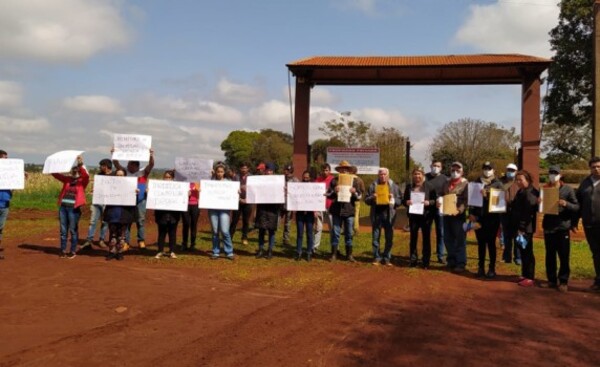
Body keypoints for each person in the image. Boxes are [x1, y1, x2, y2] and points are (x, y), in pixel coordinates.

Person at [540, 165, 579, 292]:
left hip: (562, 227)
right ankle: (551, 280)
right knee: (549, 255)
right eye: (550, 172)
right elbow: (539, 208)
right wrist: (538, 202)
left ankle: (563, 281)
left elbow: (576, 207)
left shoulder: (568, 190)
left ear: (560, 174)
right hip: (549, 226)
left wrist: (566, 204)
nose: (552, 175)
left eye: (555, 173)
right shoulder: (545, 188)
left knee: (563, 255)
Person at [112, 148, 154, 249]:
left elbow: (151, 164)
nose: (129, 166)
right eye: (129, 164)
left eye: (132, 164)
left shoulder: (143, 172)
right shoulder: (124, 172)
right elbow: (116, 163)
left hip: (141, 200)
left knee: (140, 220)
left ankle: (141, 240)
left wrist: (151, 155)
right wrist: (114, 153)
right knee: (127, 221)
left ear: (137, 166)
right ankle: (126, 242)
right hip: (127, 200)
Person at [468, 161, 503, 278]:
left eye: (489, 168)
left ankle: (492, 268)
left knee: (491, 243)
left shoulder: (498, 184)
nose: (487, 170)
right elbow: (471, 201)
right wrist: (471, 214)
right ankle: (480, 267)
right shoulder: (476, 183)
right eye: (485, 168)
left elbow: (500, 203)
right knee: (481, 243)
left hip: (492, 219)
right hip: (478, 218)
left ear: (494, 170)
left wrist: (487, 197)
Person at [52, 155, 90, 259]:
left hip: (74, 208)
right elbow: (56, 175)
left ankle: (73, 251)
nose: (74, 172)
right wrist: (53, 165)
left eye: (76, 171)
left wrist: (80, 164)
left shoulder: (82, 182)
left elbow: (86, 176)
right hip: (63, 207)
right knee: (63, 231)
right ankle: (63, 250)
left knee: (73, 230)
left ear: (79, 172)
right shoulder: (67, 180)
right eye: (73, 171)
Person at [327, 160, 362, 262]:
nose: (344, 171)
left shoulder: (354, 181)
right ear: (339, 170)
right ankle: (334, 254)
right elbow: (328, 195)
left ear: (349, 171)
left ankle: (349, 255)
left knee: (349, 234)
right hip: (337, 211)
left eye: (346, 169)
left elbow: (359, 196)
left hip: (349, 211)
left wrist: (355, 192)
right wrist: (334, 191)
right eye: (342, 169)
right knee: (336, 233)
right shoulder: (334, 181)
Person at [365, 167, 401, 266]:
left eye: (384, 174)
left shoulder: (394, 186)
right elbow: (366, 200)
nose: (383, 176)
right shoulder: (373, 186)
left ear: (388, 175)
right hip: (376, 215)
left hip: (389, 215)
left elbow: (399, 201)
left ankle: (387, 258)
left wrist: (393, 198)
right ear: (378, 175)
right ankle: (376, 257)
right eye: (381, 174)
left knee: (389, 238)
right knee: (375, 238)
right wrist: (373, 197)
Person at [575, 156, 600, 291]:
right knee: (595, 252)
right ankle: (598, 280)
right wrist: (574, 221)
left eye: (598, 166)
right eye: (593, 167)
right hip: (589, 224)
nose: (596, 169)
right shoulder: (585, 183)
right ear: (590, 168)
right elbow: (578, 203)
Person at [439, 161, 468, 272]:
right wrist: (439, 200)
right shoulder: (446, 183)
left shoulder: (466, 184)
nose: (455, 172)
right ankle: (451, 261)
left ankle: (460, 263)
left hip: (458, 216)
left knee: (459, 239)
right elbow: (441, 194)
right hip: (446, 214)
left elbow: (466, 200)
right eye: (453, 170)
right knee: (448, 238)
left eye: (458, 170)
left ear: (462, 172)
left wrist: (459, 210)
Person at [511, 170, 539, 287]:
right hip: (519, 226)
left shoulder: (531, 193)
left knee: (527, 252)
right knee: (522, 251)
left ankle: (530, 277)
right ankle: (524, 274)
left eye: (521, 180)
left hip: (526, 228)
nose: (518, 182)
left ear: (527, 180)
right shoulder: (521, 191)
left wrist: (522, 227)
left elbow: (528, 213)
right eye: (517, 180)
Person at [403, 168, 434, 268]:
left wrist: (429, 202)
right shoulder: (409, 187)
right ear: (413, 176)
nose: (417, 176)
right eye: (415, 174)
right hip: (413, 216)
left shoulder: (429, 186)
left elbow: (435, 200)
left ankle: (425, 261)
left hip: (426, 217)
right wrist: (406, 202)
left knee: (426, 238)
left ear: (423, 175)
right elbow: (404, 200)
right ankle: (413, 260)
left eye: (419, 174)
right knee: (413, 238)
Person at [103, 169, 136, 261]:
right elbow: (103, 195)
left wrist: (135, 193)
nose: (119, 177)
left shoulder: (130, 186)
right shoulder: (110, 186)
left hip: (124, 214)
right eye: (118, 175)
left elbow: (134, 201)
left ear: (125, 176)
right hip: (112, 213)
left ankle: (120, 253)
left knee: (122, 236)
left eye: (121, 175)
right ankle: (111, 252)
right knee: (112, 235)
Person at [81, 158, 112, 250]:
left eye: (101, 166)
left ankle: (101, 240)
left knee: (105, 222)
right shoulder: (99, 175)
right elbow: (96, 187)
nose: (100, 167)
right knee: (93, 221)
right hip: (97, 201)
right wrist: (93, 190)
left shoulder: (114, 176)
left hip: (107, 202)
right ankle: (89, 240)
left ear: (106, 166)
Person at [254, 162, 282, 259]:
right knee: (261, 229)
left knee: (271, 230)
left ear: (273, 171)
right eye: (267, 170)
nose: (269, 172)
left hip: (273, 209)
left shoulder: (278, 181)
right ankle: (261, 249)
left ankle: (270, 250)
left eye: (270, 171)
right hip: (262, 208)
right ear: (265, 171)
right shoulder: (260, 180)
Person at [207, 163, 235, 260]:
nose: (220, 173)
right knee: (215, 231)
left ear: (224, 173)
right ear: (215, 172)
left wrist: (237, 191)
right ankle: (216, 252)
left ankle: (229, 252)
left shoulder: (229, 183)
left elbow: (233, 193)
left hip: (224, 210)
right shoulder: (210, 182)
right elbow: (205, 191)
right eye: (218, 172)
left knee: (225, 231)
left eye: (221, 172)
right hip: (212, 209)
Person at [153, 170, 180, 259]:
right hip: (161, 215)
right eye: (166, 177)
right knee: (161, 233)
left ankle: (172, 251)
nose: (167, 179)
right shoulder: (158, 187)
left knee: (172, 233)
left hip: (173, 215)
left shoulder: (178, 187)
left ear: (173, 179)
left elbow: (182, 198)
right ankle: (160, 251)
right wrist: (149, 191)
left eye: (169, 177)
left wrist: (186, 194)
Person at [425, 160, 448, 264]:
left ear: (441, 168)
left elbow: (447, 193)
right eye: (434, 165)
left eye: (438, 166)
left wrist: (441, 199)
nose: (436, 167)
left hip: (440, 208)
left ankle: (441, 255)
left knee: (441, 233)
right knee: (427, 233)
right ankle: (427, 255)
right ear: (430, 166)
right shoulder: (425, 177)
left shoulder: (445, 178)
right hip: (427, 209)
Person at [500, 163, 522, 265]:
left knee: (517, 235)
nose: (510, 172)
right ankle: (507, 256)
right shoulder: (501, 181)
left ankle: (517, 257)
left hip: (516, 212)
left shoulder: (519, 182)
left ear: (516, 171)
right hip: (504, 212)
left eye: (512, 170)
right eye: (509, 170)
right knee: (506, 235)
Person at [294, 170, 316, 261]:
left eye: (307, 177)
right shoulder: (298, 186)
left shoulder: (314, 187)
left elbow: (317, 197)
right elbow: (294, 195)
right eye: (304, 177)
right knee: (300, 233)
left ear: (310, 178)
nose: (305, 178)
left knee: (309, 234)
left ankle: (309, 252)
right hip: (300, 213)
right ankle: (299, 252)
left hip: (310, 214)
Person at [230, 162, 252, 245]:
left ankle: (244, 237)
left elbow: (254, 190)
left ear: (248, 169)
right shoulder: (235, 177)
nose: (244, 170)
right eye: (242, 168)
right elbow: (232, 188)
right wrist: (239, 199)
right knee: (234, 220)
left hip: (248, 202)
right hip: (237, 202)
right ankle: (230, 237)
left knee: (246, 221)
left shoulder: (252, 178)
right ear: (240, 169)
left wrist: (247, 198)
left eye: (245, 168)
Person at [314, 163, 334, 253]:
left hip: (331, 207)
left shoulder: (333, 180)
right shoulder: (317, 180)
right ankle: (315, 247)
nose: (325, 172)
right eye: (323, 170)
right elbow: (313, 194)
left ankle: (334, 249)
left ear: (329, 171)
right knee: (318, 228)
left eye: (327, 170)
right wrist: (314, 209)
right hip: (319, 207)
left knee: (332, 228)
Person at [0, 150, 14, 259]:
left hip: (5, 203)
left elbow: (13, 187)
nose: (6, 160)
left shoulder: (8, 173)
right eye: (4, 158)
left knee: (0, 228)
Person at [281, 164, 299, 246]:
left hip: (290, 205)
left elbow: (298, 192)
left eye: (289, 171)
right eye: (286, 170)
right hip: (280, 203)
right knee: (276, 221)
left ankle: (286, 239)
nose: (287, 172)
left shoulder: (296, 180)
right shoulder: (280, 179)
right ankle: (271, 237)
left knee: (287, 223)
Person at [181, 181, 200, 251]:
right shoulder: (184, 182)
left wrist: (200, 191)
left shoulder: (199, 182)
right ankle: (184, 243)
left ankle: (193, 244)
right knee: (186, 224)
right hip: (185, 204)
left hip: (195, 205)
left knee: (194, 224)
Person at [350, 165, 366, 234]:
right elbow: (363, 190)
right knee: (356, 214)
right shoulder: (360, 180)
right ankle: (356, 229)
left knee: (348, 214)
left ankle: (347, 229)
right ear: (356, 172)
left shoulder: (347, 179)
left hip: (349, 199)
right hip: (357, 199)